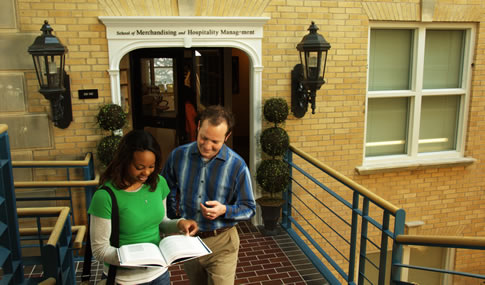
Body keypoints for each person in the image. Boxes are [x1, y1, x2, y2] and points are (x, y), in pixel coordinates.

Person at [88, 130, 198, 285]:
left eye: (151, 166)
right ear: (124, 161)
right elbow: (99, 250)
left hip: (159, 274)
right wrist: (132, 258)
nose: (146, 172)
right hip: (124, 280)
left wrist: (179, 223)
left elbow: (161, 222)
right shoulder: (105, 196)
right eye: (139, 167)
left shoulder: (158, 183)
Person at [162, 105, 256, 285]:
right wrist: (174, 221)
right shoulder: (177, 156)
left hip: (222, 243)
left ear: (226, 137)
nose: (207, 146)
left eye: (215, 142)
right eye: (203, 138)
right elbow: (166, 191)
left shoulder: (237, 166)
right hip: (189, 242)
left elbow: (249, 208)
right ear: (198, 127)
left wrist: (224, 210)